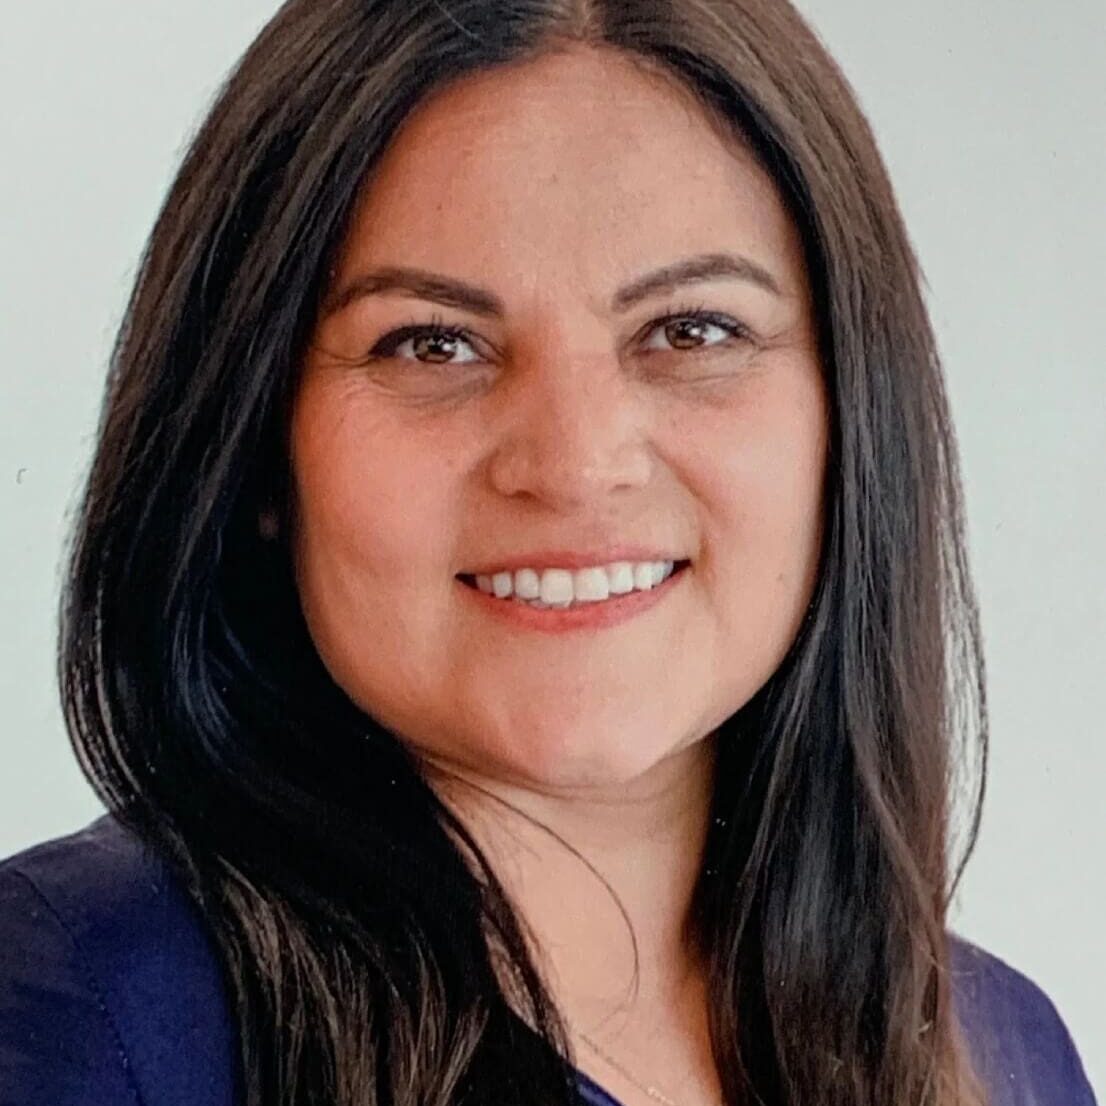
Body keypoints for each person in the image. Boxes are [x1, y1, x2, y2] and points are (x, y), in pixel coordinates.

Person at [0, 1, 1097, 1104]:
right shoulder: (81, 1009)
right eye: (433, 342)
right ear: (254, 443)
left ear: (850, 412)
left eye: (690, 329)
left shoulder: (1010, 1053)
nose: (574, 463)